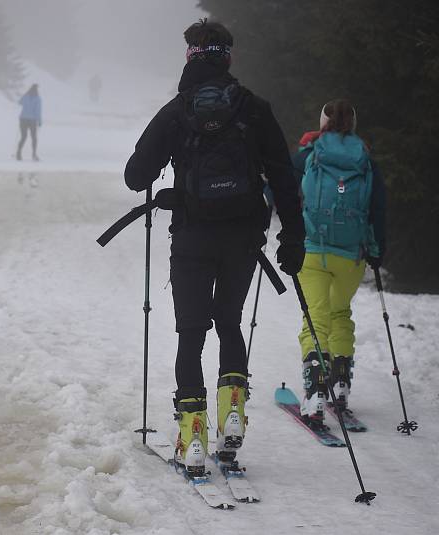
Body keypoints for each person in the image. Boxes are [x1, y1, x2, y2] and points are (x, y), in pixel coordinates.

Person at [123, 19, 305, 476]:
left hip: (191, 237)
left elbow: (135, 177)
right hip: (242, 238)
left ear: (190, 58)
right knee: (229, 322)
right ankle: (233, 415)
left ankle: (194, 433)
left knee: (191, 332)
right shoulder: (254, 109)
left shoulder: (176, 110)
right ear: (228, 57)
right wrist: (293, 236)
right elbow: (284, 175)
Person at [293, 99, 386, 425]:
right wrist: (375, 250)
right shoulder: (365, 158)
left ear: (322, 123)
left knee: (314, 318)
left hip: (314, 248)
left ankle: (315, 390)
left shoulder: (311, 152)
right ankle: (341, 383)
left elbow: (282, 187)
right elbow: (377, 208)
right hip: (351, 254)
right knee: (340, 313)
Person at [17, 83, 42, 161]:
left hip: (23, 119)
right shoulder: (38, 99)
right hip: (32, 120)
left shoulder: (26, 96)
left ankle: (18, 153)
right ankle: (34, 155)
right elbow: (38, 111)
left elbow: (20, 102)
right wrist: (40, 121)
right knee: (34, 137)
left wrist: (25, 95)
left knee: (23, 137)